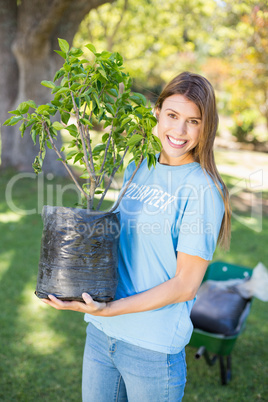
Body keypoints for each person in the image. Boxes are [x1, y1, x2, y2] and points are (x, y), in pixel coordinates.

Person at [42, 71, 231, 401]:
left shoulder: (202, 191)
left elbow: (185, 286)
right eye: (172, 116)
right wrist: (74, 282)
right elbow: (121, 244)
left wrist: (110, 310)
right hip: (102, 335)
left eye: (193, 121)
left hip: (152, 348)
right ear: (157, 113)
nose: (179, 130)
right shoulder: (138, 165)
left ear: (206, 127)